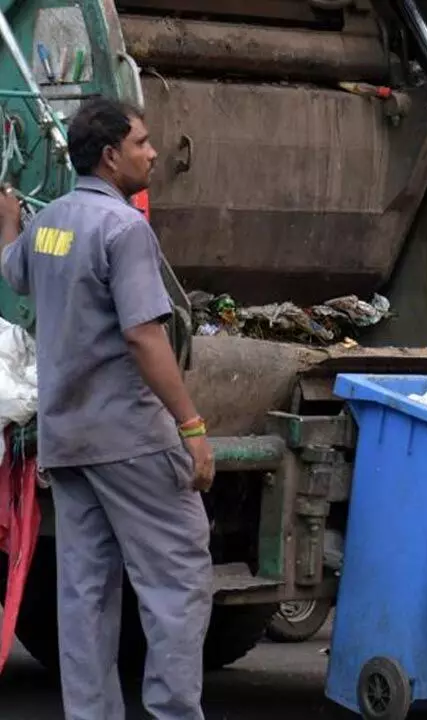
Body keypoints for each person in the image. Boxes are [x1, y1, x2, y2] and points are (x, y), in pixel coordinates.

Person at [0, 97, 215, 720]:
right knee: (177, 583)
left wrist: (10, 219)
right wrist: (192, 426)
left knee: (86, 595)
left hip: (68, 441)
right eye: (142, 142)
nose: (152, 152)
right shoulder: (125, 229)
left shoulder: (52, 225)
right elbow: (144, 335)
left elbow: (13, 273)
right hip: (131, 439)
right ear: (109, 155)